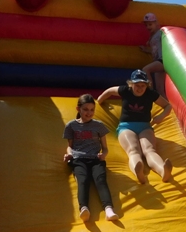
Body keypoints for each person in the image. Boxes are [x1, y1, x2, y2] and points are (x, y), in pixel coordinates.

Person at [97, 69, 173, 184]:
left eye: (143, 85)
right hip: (126, 127)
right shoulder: (125, 90)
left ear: (147, 85)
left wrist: (161, 116)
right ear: (131, 84)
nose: (140, 88)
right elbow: (110, 91)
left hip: (145, 127)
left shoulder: (150, 94)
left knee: (150, 150)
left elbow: (167, 106)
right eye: (137, 85)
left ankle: (163, 171)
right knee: (133, 150)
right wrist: (100, 100)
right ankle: (138, 171)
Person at [63, 94, 119, 223]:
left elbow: (105, 148)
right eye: (85, 109)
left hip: (95, 159)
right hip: (78, 159)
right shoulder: (71, 126)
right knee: (83, 180)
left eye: (92, 110)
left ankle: (109, 209)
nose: (89, 113)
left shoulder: (98, 126)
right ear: (78, 109)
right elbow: (70, 146)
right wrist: (69, 154)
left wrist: (103, 155)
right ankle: (84, 208)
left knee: (100, 180)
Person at [139, 12, 166, 96]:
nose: (148, 27)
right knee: (160, 89)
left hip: (162, 60)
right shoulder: (152, 36)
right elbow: (156, 50)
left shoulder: (160, 33)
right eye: (146, 25)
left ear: (156, 23)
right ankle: (166, 104)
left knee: (145, 69)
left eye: (150, 24)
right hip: (158, 61)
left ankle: (150, 93)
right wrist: (146, 50)